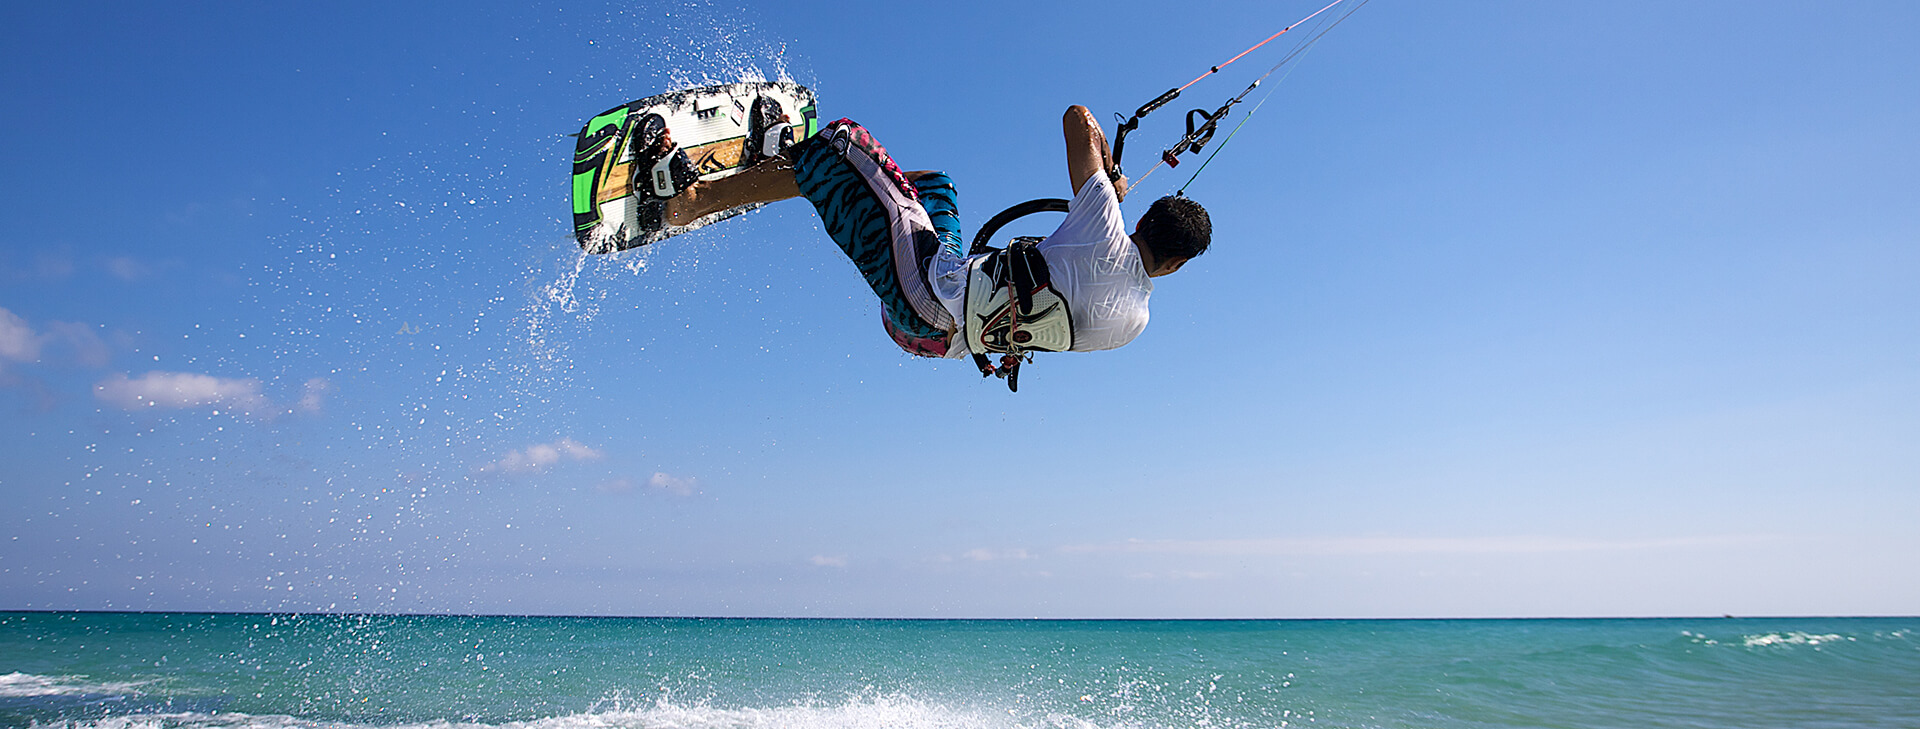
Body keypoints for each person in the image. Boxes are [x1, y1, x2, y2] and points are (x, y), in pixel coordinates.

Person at [641, 103, 1211, 372]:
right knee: (936, 188)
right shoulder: (1136, 323)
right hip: (932, 340)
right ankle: (800, 174)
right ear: (1177, 266)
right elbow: (1088, 279)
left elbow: (1077, 118)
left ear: (1142, 222)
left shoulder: (1108, 225)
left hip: (924, 293)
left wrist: (1109, 179)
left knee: (844, 139)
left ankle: (683, 203)